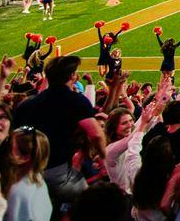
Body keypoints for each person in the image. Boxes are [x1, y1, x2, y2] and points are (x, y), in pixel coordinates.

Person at [10, 55, 107, 208]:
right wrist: (104, 158)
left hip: (24, 171)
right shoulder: (76, 100)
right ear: (72, 76)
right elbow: (95, 133)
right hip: (56, 172)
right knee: (88, 201)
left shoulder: (26, 104)